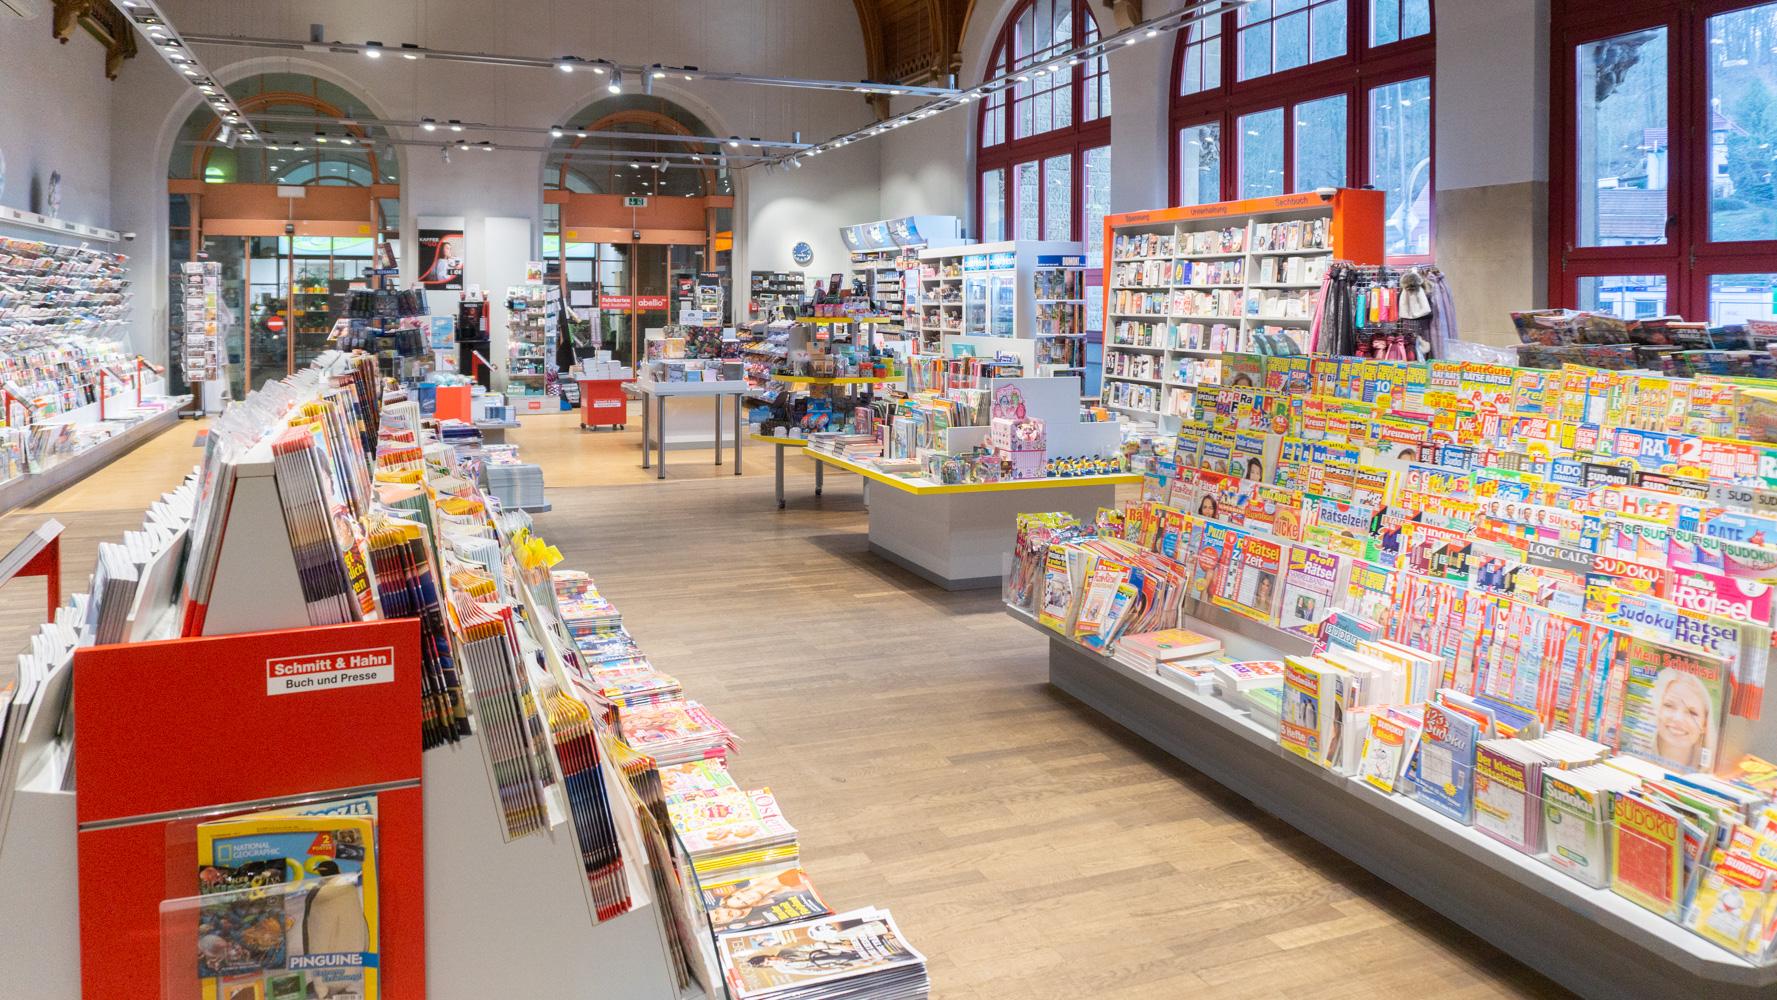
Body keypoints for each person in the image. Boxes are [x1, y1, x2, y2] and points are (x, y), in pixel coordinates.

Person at [1651, 668, 1713, 770]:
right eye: (1669, 705)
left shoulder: (1713, 773)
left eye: (1692, 712)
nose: (1678, 718)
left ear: (1705, 725)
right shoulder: (1630, 757)